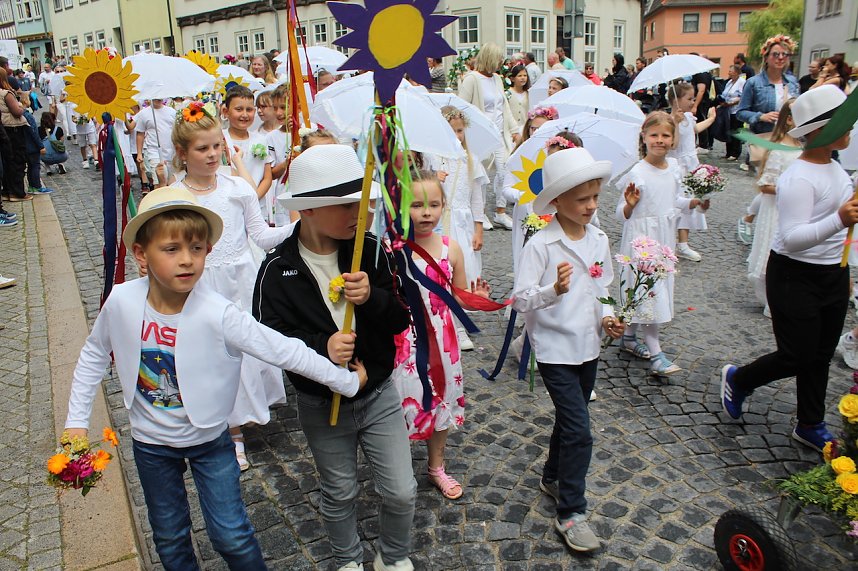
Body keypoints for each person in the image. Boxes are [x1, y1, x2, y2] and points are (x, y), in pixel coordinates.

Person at [63, 186, 366, 570]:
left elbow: (283, 349)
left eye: (197, 248)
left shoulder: (220, 313)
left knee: (232, 535)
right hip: (150, 444)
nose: (187, 260)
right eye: (171, 250)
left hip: (209, 440)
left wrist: (346, 382)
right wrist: (76, 422)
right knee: (170, 537)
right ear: (141, 254)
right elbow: (93, 354)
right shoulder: (121, 301)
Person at [253, 144, 416, 571]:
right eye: (343, 204)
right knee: (340, 491)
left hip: (379, 393)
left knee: (401, 490)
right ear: (306, 210)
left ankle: (393, 557)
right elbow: (267, 335)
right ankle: (348, 560)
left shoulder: (374, 251)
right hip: (320, 402)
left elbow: (402, 318)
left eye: (360, 203)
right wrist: (319, 345)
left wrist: (373, 299)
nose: (355, 213)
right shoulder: (277, 269)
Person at [721, 86, 858, 452]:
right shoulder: (798, 177)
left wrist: (843, 270)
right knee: (796, 354)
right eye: (842, 123)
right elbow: (794, 238)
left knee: (820, 355)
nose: (851, 128)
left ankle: (810, 423)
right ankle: (740, 378)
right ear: (818, 130)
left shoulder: (837, 168)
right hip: (794, 274)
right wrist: (839, 219)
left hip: (832, 273)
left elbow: (839, 229)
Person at [167, 102, 292, 470]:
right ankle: (231, 431)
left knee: (244, 350)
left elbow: (262, 236)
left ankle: (245, 415)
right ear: (182, 153)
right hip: (201, 286)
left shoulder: (237, 187)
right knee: (215, 355)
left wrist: (301, 228)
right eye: (202, 149)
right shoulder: (175, 195)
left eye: (216, 146)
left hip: (241, 282)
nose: (212, 155)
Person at [513, 146, 623, 553]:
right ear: (557, 201)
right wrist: (552, 290)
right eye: (582, 199)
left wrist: (610, 318)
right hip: (555, 349)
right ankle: (571, 512)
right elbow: (521, 300)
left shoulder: (599, 238)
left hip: (589, 345)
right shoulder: (541, 245)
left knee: (571, 419)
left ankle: (553, 476)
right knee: (580, 430)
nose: (591, 206)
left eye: (595, 197)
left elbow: (603, 288)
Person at [392, 170, 490, 500]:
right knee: (406, 399)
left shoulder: (453, 249)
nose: (426, 212)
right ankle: (398, 466)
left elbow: (459, 295)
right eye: (417, 205)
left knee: (442, 398)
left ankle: (436, 466)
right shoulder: (395, 250)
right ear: (403, 208)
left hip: (444, 339)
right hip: (407, 339)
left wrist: (477, 299)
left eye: (433, 204)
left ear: (443, 206)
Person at [617, 111, 702, 376]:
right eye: (654, 135)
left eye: (666, 135)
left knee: (649, 292)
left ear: (674, 138)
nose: (660, 140)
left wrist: (694, 202)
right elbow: (620, 213)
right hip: (642, 240)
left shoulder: (675, 168)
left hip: (664, 238)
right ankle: (656, 353)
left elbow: (675, 200)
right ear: (644, 138)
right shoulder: (638, 172)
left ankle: (629, 337)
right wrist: (629, 205)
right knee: (649, 293)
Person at [428, 106, 489, 351]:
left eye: (460, 131)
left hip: (462, 225)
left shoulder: (470, 161)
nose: (456, 136)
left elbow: (477, 198)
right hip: (440, 223)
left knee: (464, 271)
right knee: (441, 271)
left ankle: (460, 321)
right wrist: (435, 178)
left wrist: (478, 229)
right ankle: (447, 322)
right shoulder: (433, 159)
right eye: (451, 131)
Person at [745, 99, 800, 313]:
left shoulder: (800, 146)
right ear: (788, 120)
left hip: (792, 209)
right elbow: (765, 184)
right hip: (777, 210)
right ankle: (772, 299)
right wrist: (792, 189)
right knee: (774, 252)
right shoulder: (780, 149)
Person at [457, 43, 517, 231]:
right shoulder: (472, 79)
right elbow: (462, 106)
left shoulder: (498, 79)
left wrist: (514, 128)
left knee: (505, 169)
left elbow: (504, 106)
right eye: (499, 58)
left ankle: (500, 211)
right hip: (479, 136)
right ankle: (479, 213)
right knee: (480, 174)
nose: (502, 62)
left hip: (499, 134)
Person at [667, 83, 715, 262]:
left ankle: (683, 243)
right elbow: (674, 144)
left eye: (693, 98)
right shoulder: (670, 120)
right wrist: (676, 123)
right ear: (676, 100)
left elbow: (694, 130)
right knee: (677, 204)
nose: (693, 101)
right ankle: (672, 242)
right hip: (677, 166)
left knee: (689, 204)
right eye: (689, 98)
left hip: (691, 165)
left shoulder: (688, 117)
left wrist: (710, 120)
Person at [222, 86, 274, 223]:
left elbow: (267, 177)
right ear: (226, 111)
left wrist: (254, 198)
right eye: (239, 109)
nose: (244, 115)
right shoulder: (221, 139)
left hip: (257, 205)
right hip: (230, 205)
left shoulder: (260, 140)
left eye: (249, 110)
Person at [737, 35, 801, 136]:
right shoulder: (753, 83)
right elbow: (740, 113)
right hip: (763, 138)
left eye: (784, 54)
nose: (780, 58)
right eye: (775, 54)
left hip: (788, 138)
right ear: (766, 58)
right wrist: (760, 116)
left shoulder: (792, 82)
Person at [0, 68, 32, 202]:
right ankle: (17, 192)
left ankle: (7, 191)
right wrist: (23, 105)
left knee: (7, 162)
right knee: (17, 161)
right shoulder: (6, 93)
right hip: (13, 129)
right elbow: (17, 112)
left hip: (4, 128)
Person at [135, 99, 176, 191]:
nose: (158, 99)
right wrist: (139, 153)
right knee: (158, 181)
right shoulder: (144, 113)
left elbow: (177, 131)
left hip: (172, 151)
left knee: (172, 182)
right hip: (154, 151)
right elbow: (140, 134)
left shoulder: (172, 112)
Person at [20, 93, 52, 195]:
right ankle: (37, 186)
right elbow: (34, 132)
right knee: (35, 166)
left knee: (30, 167)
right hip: (32, 146)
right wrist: (40, 146)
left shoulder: (21, 114)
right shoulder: (28, 115)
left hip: (24, 145)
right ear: (26, 101)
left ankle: (31, 186)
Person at [720, 64, 747, 160]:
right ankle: (728, 152)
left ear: (736, 72)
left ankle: (735, 153)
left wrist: (731, 102)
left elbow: (742, 97)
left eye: (731, 71)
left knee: (736, 131)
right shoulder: (729, 82)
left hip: (736, 110)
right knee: (728, 131)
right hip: (727, 110)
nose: (729, 72)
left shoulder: (742, 82)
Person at [689, 53, 715, 152]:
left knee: (701, 121)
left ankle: (704, 145)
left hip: (702, 102)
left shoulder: (701, 73)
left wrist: (695, 105)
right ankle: (702, 144)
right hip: (701, 101)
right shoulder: (700, 73)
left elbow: (701, 90)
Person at [505, 64, 530, 141]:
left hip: (524, 129)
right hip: (510, 130)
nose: (523, 78)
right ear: (512, 79)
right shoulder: (507, 93)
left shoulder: (528, 94)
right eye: (519, 76)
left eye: (525, 75)